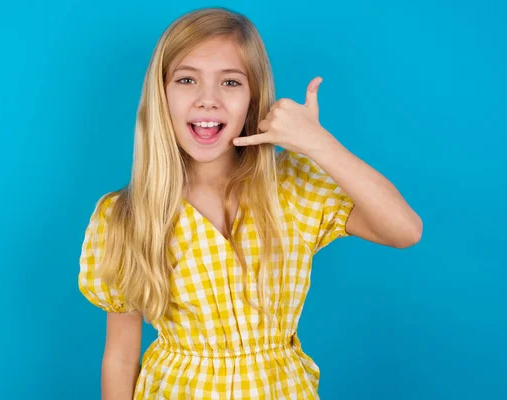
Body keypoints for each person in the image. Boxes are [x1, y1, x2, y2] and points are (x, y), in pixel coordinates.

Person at [78, 6, 422, 400]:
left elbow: (404, 230)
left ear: (253, 99)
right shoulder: (125, 215)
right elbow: (120, 357)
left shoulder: (292, 187)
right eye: (187, 79)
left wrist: (318, 143)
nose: (208, 100)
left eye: (230, 82)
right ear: (161, 93)